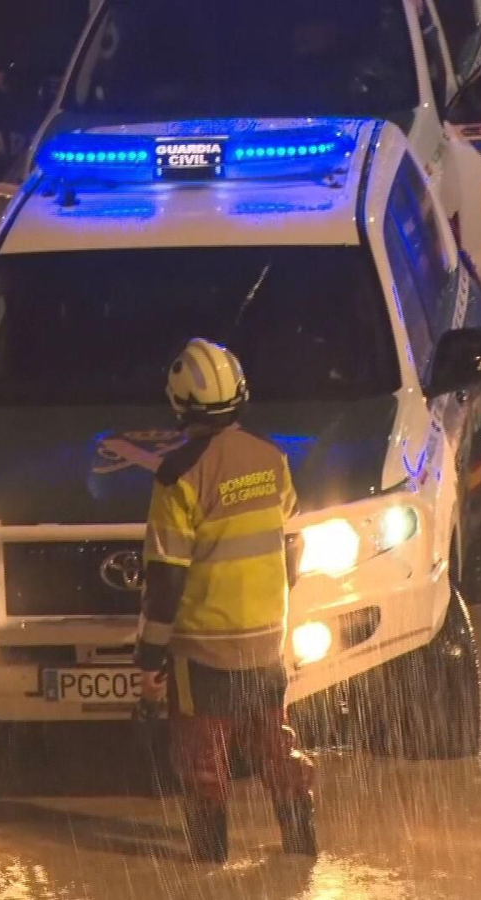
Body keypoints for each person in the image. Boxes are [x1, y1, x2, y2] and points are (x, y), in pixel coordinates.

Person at [135, 338, 315, 862]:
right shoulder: (272, 458)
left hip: (203, 649)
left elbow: (164, 581)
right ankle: (302, 853)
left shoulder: (178, 477)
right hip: (266, 641)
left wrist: (149, 656)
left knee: (202, 759)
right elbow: (290, 542)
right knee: (275, 746)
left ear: (178, 403)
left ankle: (208, 868)